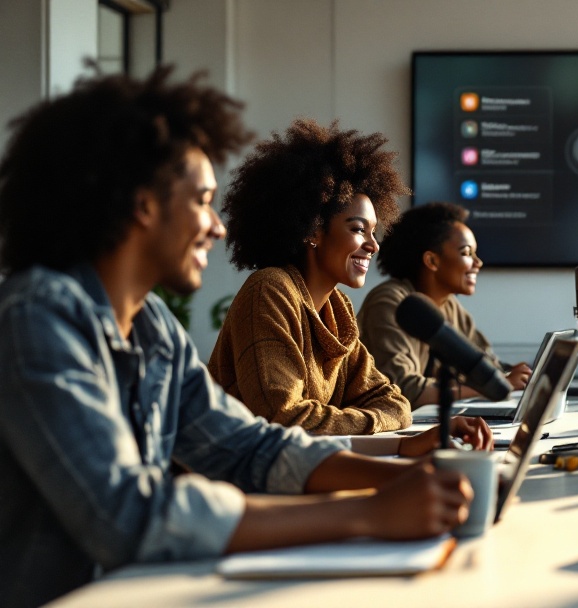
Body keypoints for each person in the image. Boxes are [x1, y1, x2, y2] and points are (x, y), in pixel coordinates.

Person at [0, 67, 475, 608]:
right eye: (202, 200)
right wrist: (366, 511)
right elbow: (126, 518)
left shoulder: (153, 325)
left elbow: (249, 446)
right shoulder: (36, 317)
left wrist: (403, 477)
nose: (217, 225)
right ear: (143, 204)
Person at [206, 120, 490, 449]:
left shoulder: (336, 309)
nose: (373, 245)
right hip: (244, 486)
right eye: (358, 229)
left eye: (374, 232)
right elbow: (282, 419)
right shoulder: (270, 290)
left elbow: (395, 403)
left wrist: (348, 419)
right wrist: (369, 422)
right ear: (311, 230)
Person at [358, 201, 530, 407]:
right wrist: (494, 386)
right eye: (467, 253)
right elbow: (402, 389)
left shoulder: (449, 306)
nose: (478, 263)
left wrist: (512, 375)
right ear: (432, 261)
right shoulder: (390, 302)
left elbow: (485, 365)